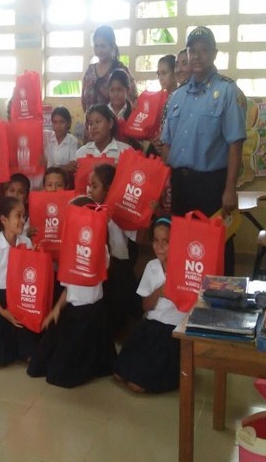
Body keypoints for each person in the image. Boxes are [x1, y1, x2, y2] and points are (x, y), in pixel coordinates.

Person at [161, 26, 247, 275]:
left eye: (203, 50)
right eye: (192, 51)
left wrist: (230, 190)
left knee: (217, 247)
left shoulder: (227, 92)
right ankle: (185, 298)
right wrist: (164, 184)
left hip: (211, 186)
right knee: (184, 249)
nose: (197, 56)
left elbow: (235, 144)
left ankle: (222, 298)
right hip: (181, 184)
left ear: (214, 54)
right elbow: (167, 145)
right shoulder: (177, 97)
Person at [27, 195, 116, 388]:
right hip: (71, 311)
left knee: (61, 375)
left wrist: (99, 229)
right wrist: (56, 309)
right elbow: (69, 289)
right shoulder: (69, 248)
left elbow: (95, 270)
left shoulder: (101, 249)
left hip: (89, 315)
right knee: (37, 365)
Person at [114, 217, 186, 393]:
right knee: (119, 373)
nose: (159, 246)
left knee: (137, 384)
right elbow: (145, 306)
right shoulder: (152, 266)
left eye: (166, 241)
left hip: (172, 330)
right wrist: (160, 291)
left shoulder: (186, 268)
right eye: (156, 240)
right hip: (151, 324)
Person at [0, 196, 38, 367]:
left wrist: (34, 258)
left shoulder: (26, 242)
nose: (22, 221)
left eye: (23, 216)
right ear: (4, 220)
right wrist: (2, 311)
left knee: (31, 356)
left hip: (20, 299)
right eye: (18, 216)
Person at [88, 164, 139, 335]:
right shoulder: (90, 210)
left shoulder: (121, 212)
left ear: (109, 188)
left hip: (119, 271)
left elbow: (132, 244)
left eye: (95, 186)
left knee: (118, 307)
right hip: (101, 270)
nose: (90, 190)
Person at [81, 25, 137, 140]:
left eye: (103, 46)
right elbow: (84, 101)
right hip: (91, 133)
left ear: (112, 46)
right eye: (96, 46)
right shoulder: (90, 71)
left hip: (114, 135)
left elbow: (133, 100)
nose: (99, 50)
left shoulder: (120, 70)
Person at [43, 107, 78, 172]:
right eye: (55, 122)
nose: (58, 126)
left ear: (68, 123)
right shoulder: (46, 136)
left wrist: (53, 167)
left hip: (64, 177)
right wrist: (64, 167)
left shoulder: (72, 140)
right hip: (47, 176)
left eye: (62, 122)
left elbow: (72, 167)